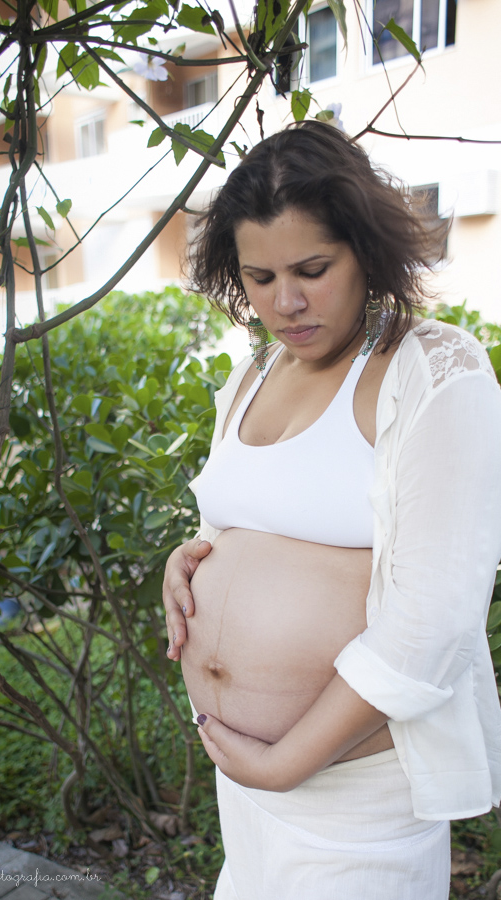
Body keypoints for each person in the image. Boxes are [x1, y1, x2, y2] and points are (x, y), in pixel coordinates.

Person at [161, 121, 501, 898]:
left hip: (356, 808)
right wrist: (188, 561)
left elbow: (434, 620)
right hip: (245, 797)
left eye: (313, 268)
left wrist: (285, 762)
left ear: (366, 250)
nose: (286, 301)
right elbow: (240, 527)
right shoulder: (252, 375)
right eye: (259, 276)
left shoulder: (434, 371)